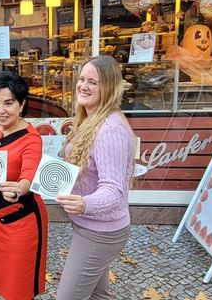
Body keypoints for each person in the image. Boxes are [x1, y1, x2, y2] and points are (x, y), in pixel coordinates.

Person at [56, 55, 135, 300]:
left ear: (108, 88)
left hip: (101, 231)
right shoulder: (90, 118)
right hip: (89, 225)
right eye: (81, 79)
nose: (83, 86)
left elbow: (114, 190)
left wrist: (85, 203)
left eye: (93, 82)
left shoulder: (110, 130)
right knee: (97, 295)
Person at [0, 70, 48, 300]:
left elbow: (29, 170)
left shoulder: (31, 138)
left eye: (8, 103)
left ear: (22, 104)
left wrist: (21, 187)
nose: (1, 110)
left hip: (20, 220)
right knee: (2, 283)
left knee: (20, 287)